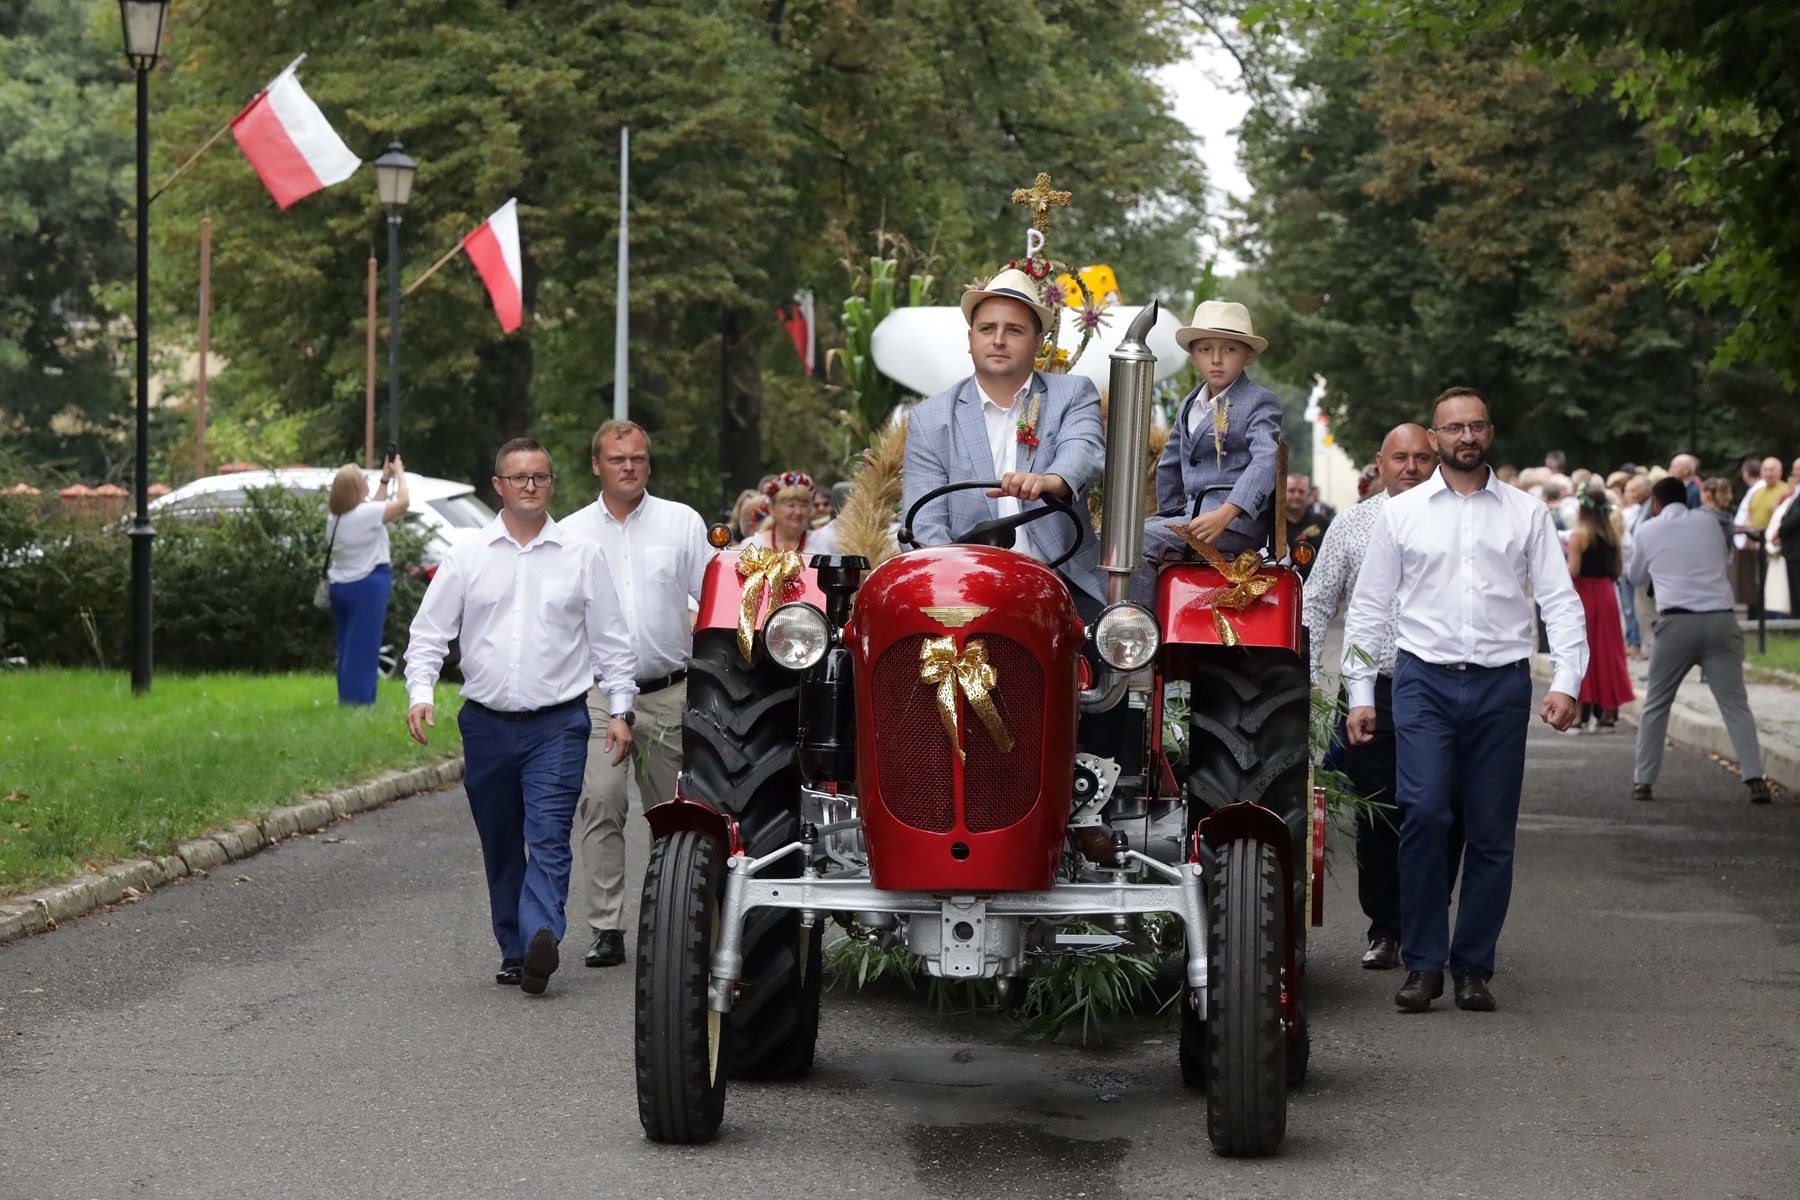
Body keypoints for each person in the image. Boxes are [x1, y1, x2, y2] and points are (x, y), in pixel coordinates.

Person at [1344, 387, 1587, 1014]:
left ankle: (1473, 966)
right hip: (1423, 680)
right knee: (1422, 813)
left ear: (1491, 433)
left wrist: (1566, 681)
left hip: (1501, 683)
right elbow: (1369, 608)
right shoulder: (1402, 514)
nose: (1466, 437)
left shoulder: (1527, 513)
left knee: (1490, 829)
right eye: (1454, 428)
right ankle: (1423, 962)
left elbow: (1558, 600)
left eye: (1476, 426)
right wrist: (1361, 691)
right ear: (1435, 437)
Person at [404, 438, 638, 996]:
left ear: (552, 484)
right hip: (485, 723)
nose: (530, 485)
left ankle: (542, 935)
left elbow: (611, 640)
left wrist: (622, 708)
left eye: (540, 476)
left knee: (550, 834)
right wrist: (421, 693)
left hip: (557, 723)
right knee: (501, 840)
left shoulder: (581, 554)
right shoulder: (467, 554)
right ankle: (515, 950)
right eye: (519, 477)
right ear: (498, 486)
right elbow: (429, 634)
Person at [561, 420, 711, 969]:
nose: (630, 467)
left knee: (671, 812)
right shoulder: (571, 532)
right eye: (618, 459)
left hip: (669, 691)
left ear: (649, 465)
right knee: (600, 799)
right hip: (599, 695)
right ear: (596, 465)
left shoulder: (681, 523)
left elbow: (713, 598)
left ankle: (670, 916)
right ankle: (606, 927)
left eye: (639, 459)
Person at [1302, 422, 1443, 971]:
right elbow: (1316, 603)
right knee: (1379, 815)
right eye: (1400, 458)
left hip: (1439, 683)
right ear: (1378, 465)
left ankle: (1430, 924)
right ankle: (1386, 928)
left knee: (1435, 813)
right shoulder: (1353, 525)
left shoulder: (1456, 520)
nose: (1411, 467)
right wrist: (1305, 678)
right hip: (1372, 689)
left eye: (1422, 458)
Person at [901, 267, 1105, 607]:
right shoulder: (930, 419)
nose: (998, 340)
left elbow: (1083, 450)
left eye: (1014, 330)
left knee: (1112, 654)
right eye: (987, 329)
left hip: (1063, 582)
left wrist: (1050, 481)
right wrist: (957, 583)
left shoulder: (1073, 393)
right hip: (965, 589)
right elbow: (924, 525)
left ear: (1038, 343)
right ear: (970, 340)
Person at [1625, 476, 1771, 804]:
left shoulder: (1648, 529)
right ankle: (1755, 778)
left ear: (1657, 503)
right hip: (1721, 618)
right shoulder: (1708, 523)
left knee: (1657, 704)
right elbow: (1724, 558)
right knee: (1735, 704)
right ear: (1686, 499)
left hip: (1676, 623)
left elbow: (1635, 576)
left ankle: (1643, 780)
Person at [1139, 300, 1282, 593]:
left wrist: (1227, 512)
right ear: (1193, 355)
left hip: (1233, 526)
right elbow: (1169, 466)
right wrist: (1171, 516)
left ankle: (1139, 630)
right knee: (1111, 537)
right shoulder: (1189, 404)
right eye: (1205, 350)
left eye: (1229, 349)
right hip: (1193, 519)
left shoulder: (1258, 401)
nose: (1216, 359)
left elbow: (1266, 460)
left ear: (1248, 355)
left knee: (1136, 542)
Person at [324, 458, 408, 705]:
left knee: (348, 646)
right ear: (355, 487)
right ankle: (358, 701)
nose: (366, 481)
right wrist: (400, 474)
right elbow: (404, 503)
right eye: (362, 478)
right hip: (368, 583)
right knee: (364, 647)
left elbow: (373, 509)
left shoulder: (336, 517)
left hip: (340, 585)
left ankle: (347, 696)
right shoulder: (365, 514)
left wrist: (384, 479)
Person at [1565, 483, 1635, 729]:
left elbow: (1573, 570)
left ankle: (1579, 710)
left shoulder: (1578, 536)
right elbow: (1617, 568)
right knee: (1607, 650)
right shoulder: (1612, 536)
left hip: (1584, 594)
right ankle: (1608, 710)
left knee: (1582, 650)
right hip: (1606, 594)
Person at [746, 471, 839, 556]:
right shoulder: (753, 546)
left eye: (804, 505)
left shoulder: (824, 543)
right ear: (771, 509)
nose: (798, 512)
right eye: (791, 505)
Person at [1283, 472, 1332, 579]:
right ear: (1282, 492)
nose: (1296, 495)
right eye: (1291, 491)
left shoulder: (1321, 522)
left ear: (1308, 494)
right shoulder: (1270, 523)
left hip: (1314, 585)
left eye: (1301, 491)